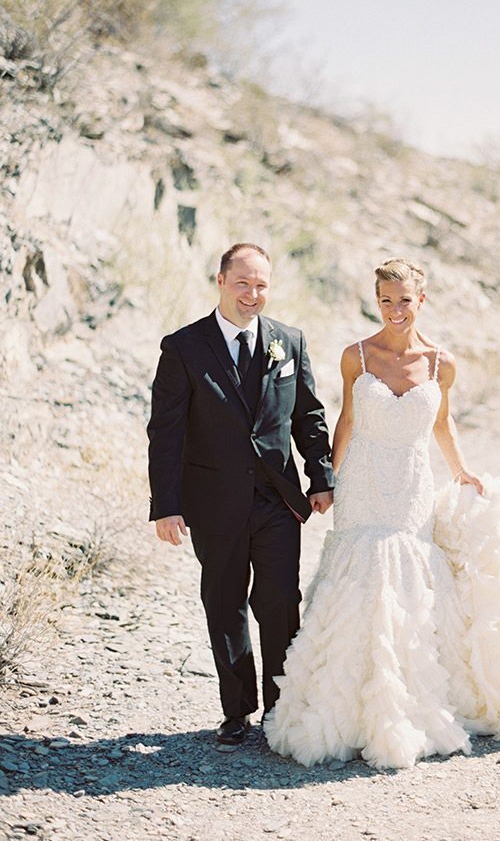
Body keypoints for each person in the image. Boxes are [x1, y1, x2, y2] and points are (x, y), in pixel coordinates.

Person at [265, 258, 500, 769]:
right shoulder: (355, 356)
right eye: (386, 300)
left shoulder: (440, 363)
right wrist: (325, 480)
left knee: (409, 577)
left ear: (421, 300)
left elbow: (442, 424)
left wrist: (462, 470)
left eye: (404, 299)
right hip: (362, 481)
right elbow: (345, 421)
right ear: (376, 301)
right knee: (361, 571)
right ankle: (347, 707)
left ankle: (407, 703)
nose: (395, 309)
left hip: (411, 484)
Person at [147, 243, 335, 746]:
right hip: (213, 503)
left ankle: (281, 708)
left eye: (262, 285)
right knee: (224, 603)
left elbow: (309, 417)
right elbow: (165, 433)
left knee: (279, 602)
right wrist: (166, 506)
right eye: (243, 283)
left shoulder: (288, 342)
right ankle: (237, 712)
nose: (253, 294)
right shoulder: (183, 347)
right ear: (221, 281)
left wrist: (321, 478)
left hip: (277, 501)